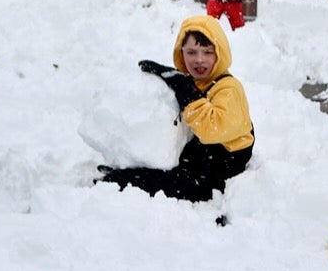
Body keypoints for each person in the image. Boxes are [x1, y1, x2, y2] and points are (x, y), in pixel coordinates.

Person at [98, 13, 253, 204]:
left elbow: (213, 129)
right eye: (191, 52)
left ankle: (126, 182)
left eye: (207, 52)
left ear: (219, 53)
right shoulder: (198, 82)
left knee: (166, 184)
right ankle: (131, 172)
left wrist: (187, 91)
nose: (199, 60)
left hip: (223, 167)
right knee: (165, 171)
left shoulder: (228, 88)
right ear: (181, 53)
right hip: (204, 156)